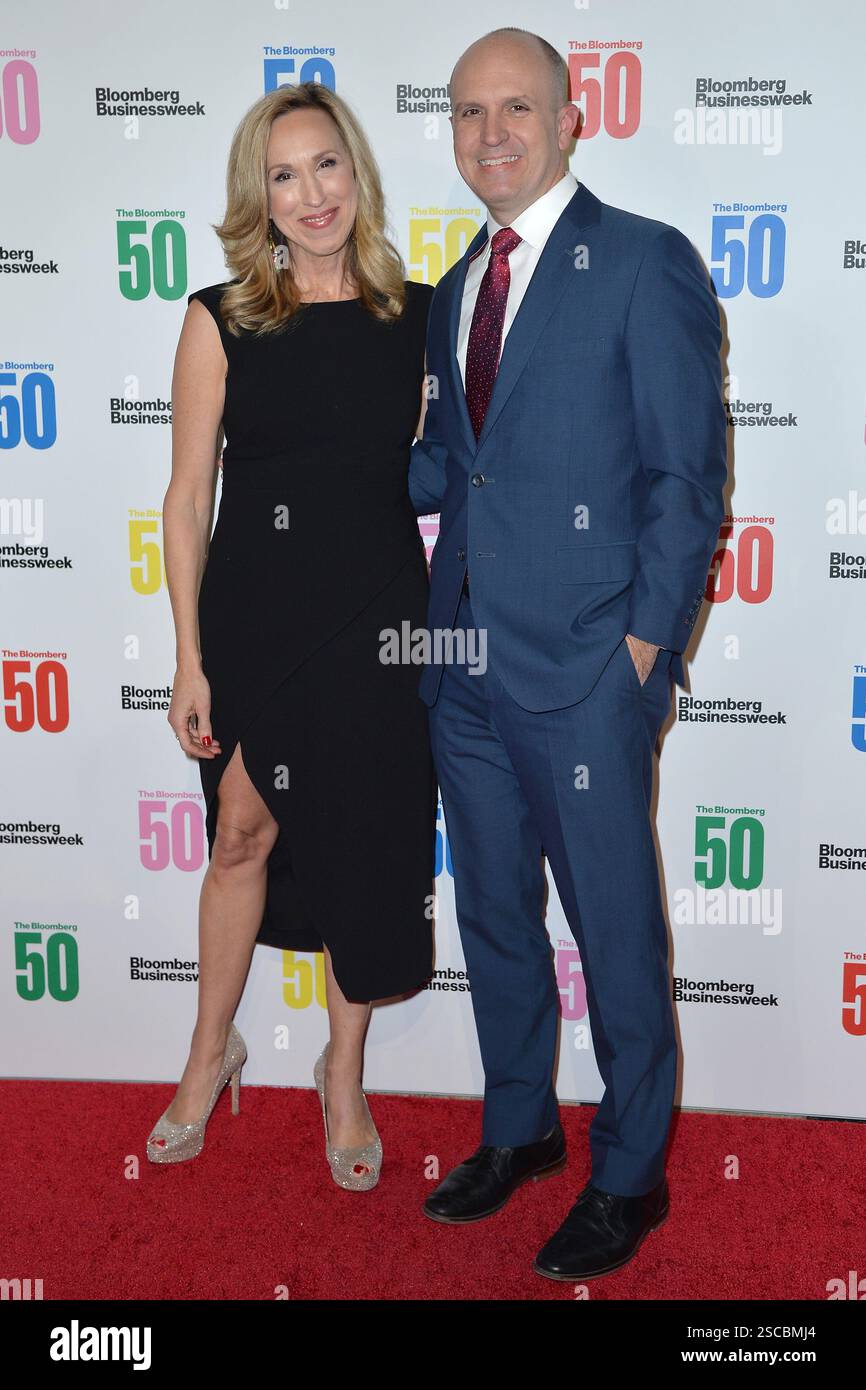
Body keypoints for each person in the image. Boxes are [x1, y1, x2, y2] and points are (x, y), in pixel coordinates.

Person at [409, 27, 727, 1278]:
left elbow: (684, 478)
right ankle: (517, 1127)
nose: (490, 132)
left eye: (515, 109)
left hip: (589, 671)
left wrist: (643, 651)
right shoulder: (450, 289)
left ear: (568, 116)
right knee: (491, 912)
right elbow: (442, 468)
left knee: (611, 929)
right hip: (462, 668)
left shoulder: (642, 264)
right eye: (468, 112)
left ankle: (630, 1172)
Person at [149, 82, 436, 1191]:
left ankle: (343, 1073)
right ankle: (206, 1052)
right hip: (255, 621)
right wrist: (186, 654)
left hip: (376, 620)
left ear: (354, 173)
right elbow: (184, 500)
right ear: (255, 198)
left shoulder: (414, 316)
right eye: (283, 175)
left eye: (326, 166)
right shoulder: (219, 317)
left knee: (365, 849)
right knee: (239, 839)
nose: (310, 194)